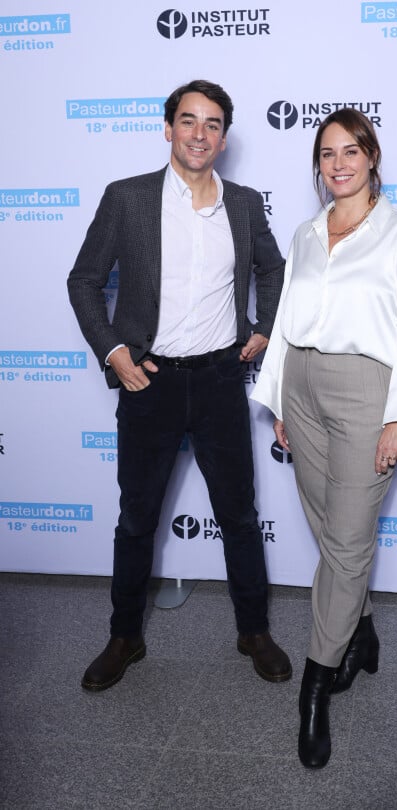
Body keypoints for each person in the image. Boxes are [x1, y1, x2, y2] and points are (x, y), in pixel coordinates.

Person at [68, 79, 291, 692]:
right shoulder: (128, 198)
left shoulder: (243, 204)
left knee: (239, 516)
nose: (200, 133)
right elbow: (84, 279)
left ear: (224, 136)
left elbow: (273, 270)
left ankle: (253, 630)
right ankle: (124, 637)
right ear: (168, 129)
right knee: (137, 517)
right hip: (150, 383)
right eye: (188, 121)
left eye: (213, 123)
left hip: (221, 378)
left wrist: (264, 328)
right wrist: (115, 352)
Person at [251, 109, 397, 767]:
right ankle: (361, 634)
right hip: (301, 383)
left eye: (351, 151)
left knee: (346, 541)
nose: (338, 163)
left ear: (372, 157)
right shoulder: (307, 234)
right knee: (328, 528)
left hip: (368, 393)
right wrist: (278, 393)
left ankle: (315, 689)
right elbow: (285, 322)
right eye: (327, 153)